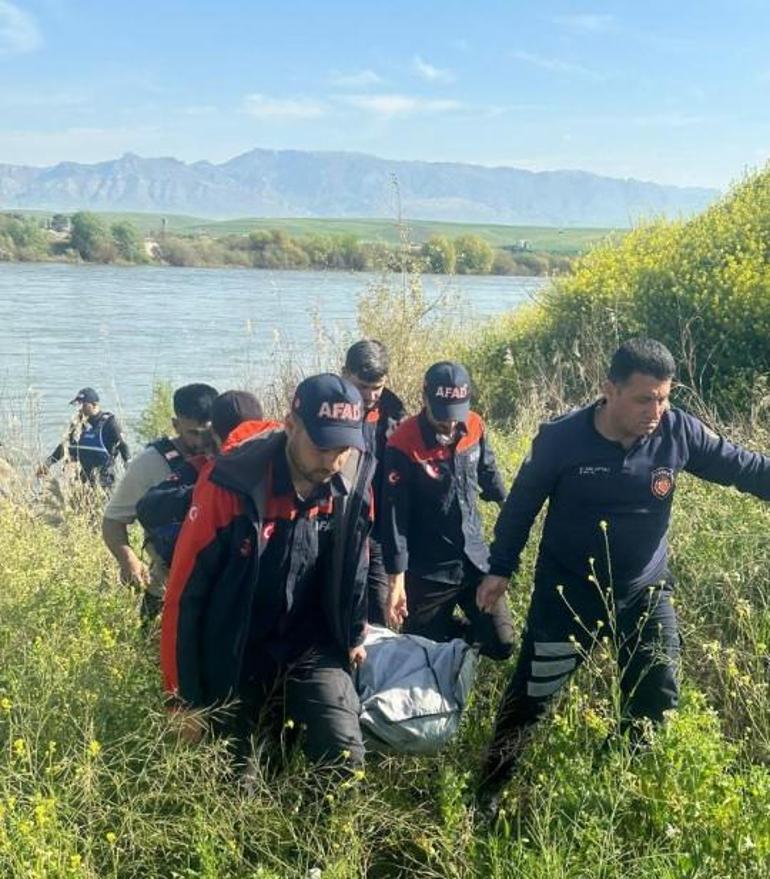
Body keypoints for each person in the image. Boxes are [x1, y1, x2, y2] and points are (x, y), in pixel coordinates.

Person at [475, 337, 770, 815]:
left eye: (664, 397)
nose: (655, 409)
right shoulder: (561, 438)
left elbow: (743, 467)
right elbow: (521, 505)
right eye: (643, 398)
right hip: (568, 596)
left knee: (657, 695)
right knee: (533, 697)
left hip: (644, 594)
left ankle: (612, 780)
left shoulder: (678, 432)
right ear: (608, 389)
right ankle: (488, 790)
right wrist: (500, 568)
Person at [161, 374, 376, 771]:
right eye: (321, 446)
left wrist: (354, 633)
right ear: (290, 426)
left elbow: (356, 563)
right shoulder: (230, 483)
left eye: (344, 447)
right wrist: (183, 699)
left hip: (312, 644)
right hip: (239, 647)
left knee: (345, 761)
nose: (333, 460)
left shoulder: (352, 477)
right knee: (241, 780)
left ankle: (322, 830)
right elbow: (184, 594)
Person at [382, 361, 514, 660]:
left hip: (475, 561)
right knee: (421, 646)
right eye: (443, 416)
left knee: (502, 644)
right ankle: (451, 643)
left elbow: (488, 472)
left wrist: (510, 506)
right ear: (425, 397)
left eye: (457, 414)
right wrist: (396, 580)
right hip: (428, 569)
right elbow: (394, 519)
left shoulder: (475, 426)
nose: (451, 424)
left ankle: (462, 646)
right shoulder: (402, 443)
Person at [101, 382, 218, 620]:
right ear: (176, 425)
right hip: (165, 590)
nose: (200, 442)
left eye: (207, 432)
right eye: (192, 433)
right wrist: (128, 560)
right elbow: (113, 520)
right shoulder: (151, 463)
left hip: (217, 592)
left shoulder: (230, 456)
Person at [342, 339, 406, 625]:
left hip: (377, 532)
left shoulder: (394, 416)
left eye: (376, 387)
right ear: (344, 373)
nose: (369, 395)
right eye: (361, 386)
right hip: (336, 530)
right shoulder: (326, 411)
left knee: (379, 616)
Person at [39, 388, 129, 489]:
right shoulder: (78, 423)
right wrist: (48, 463)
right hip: (81, 482)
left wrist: (130, 470)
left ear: (94, 405)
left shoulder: (109, 423)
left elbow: (123, 446)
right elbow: (65, 446)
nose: (80, 408)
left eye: (84, 405)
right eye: (78, 405)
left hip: (103, 482)